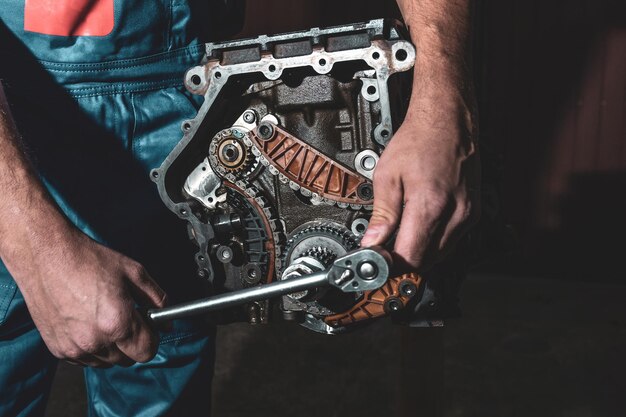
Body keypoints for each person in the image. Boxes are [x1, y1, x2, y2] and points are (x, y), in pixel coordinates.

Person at [0, 0, 479, 415]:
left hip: (180, 105)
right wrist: (36, 248)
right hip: (12, 123)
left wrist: (441, 107)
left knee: (160, 374)